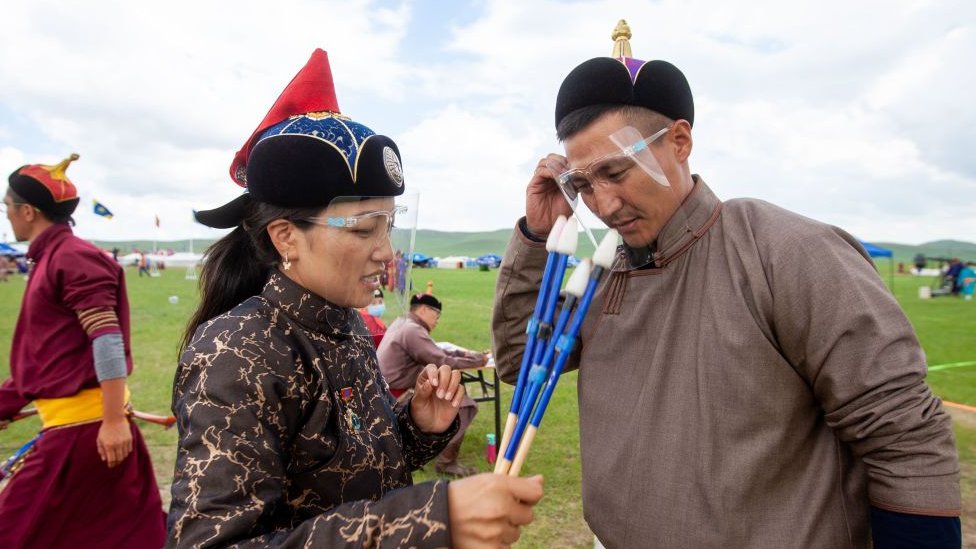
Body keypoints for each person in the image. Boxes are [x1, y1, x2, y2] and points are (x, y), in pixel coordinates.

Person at [491, 27, 960, 548]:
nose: (601, 203)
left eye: (615, 171)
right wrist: (537, 235)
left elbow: (904, 435)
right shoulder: (605, 275)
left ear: (680, 141)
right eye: (582, 184)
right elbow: (518, 361)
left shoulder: (783, 250)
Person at [167, 49, 542, 548]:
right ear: (285, 238)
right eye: (364, 228)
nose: (386, 252)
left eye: (387, 225)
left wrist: (419, 425)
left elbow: (354, 474)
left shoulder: (344, 326)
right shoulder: (237, 353)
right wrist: (426, 521)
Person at [0, 153, 166, 548]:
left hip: (88, 435)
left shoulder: (73, 257)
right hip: (81, 431)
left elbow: (106, 339)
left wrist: (112, 422)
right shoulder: (50, 257)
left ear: (27, 211)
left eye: (6, 207)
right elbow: (49, 356)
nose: (5, 215)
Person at [378, 293, 488, 477]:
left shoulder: (404, 323)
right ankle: (446, 463)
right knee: (464, 405)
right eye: (436, 315)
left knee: (451, 391)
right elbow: (442, 360)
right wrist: (478, 361)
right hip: (396, 396)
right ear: (423, 310)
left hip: (387, 391)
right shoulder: (412, 330)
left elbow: (435, 349)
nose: (437, 320)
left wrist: (469, 355)